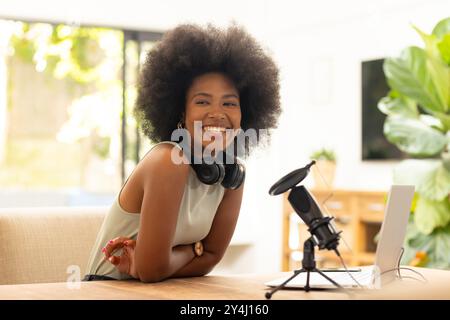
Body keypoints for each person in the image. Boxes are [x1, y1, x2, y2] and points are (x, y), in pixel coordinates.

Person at [83, 23, 281, 282]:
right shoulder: (168, 161)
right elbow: (154, 270)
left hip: (166, 290)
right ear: (180, 111)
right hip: (108, 292)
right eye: (202, 101)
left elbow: (209, 258)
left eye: (229, 103)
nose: (217, 113)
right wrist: (194, 251)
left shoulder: (232, 175)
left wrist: (175, 257)